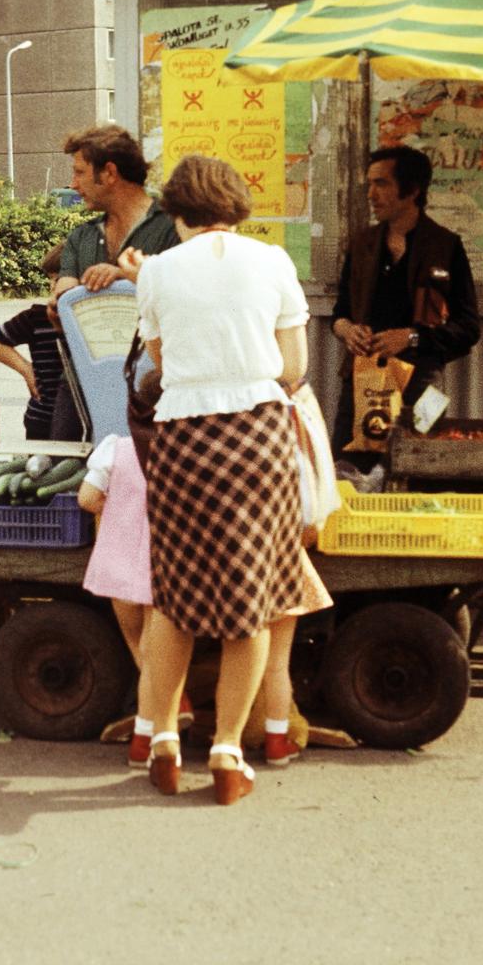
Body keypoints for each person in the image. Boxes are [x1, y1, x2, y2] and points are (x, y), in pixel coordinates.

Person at [130, 153, 309, 806]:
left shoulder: (156, 272)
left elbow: (159, 361)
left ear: (176, 211)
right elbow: (293, 366)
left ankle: (165, 740)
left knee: (173, 597)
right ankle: (229, 753)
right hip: (258, 437)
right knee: (254, 600)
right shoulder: (273, 261)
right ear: (235, 206)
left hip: (183, 439)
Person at [331, 145, 480, 466]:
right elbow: (339, 313)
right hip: (361, 383)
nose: (371, 194)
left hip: (422, 387)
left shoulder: (445, 246)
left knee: (419, 471)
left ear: (412, 190)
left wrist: (411, 338)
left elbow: (468, 328)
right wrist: (347, 331)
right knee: (346, 474)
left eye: (381, 183)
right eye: (370, 184)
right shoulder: (362, 244)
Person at [48, 125, 181, 440]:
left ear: (109, 173)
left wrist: (130, 275)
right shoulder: (81, 236)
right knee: (60, 463)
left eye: (80, 172)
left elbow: (185, 294)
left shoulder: (172, 227)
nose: (73, 184)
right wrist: (59, 305)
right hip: (81, 381)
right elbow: (64, 291)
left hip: (155, 383)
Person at [75, 423, 194, 768]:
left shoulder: (116, 449)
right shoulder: (188, 452)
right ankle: (166, 713)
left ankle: (164, 716)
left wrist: (120, 510)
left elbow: (87, 498)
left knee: (139, 645)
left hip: (119, 560)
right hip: (166, 563)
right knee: (158, 649)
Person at [0, 244, 67, 441]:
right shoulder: (35, 317)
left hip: (86, 418)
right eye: (51, 279)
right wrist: (27, 370)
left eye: (59, 279)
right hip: (43, 419)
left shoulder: (93, 319)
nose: (52, 286)